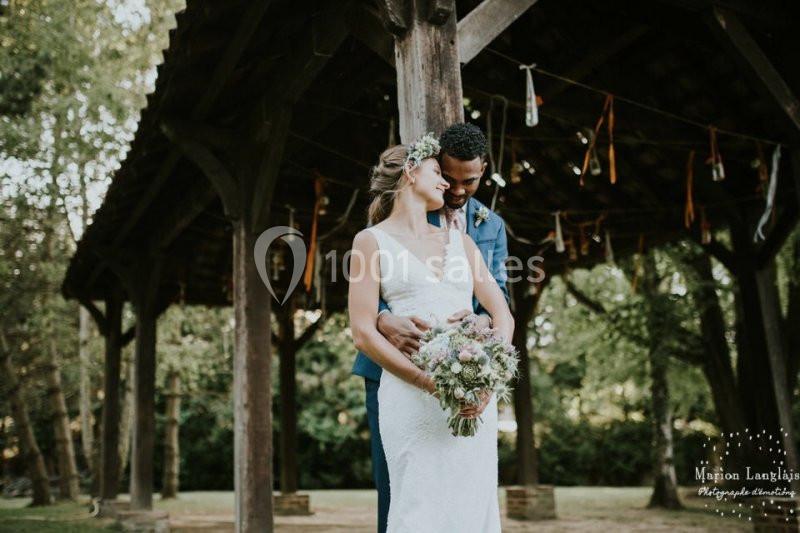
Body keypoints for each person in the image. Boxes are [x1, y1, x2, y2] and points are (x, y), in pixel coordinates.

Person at [348, 128, 514, 532]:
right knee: (412, 506)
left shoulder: (472, 236)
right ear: (411, 172)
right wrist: (428, 380)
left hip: (471, 389)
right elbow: (363, 328)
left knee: (472, 507)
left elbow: (502, 312)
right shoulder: (370, 241)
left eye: (464, 180)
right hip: (408, 389)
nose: (450, 185)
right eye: (440, 173)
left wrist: (488, 379)